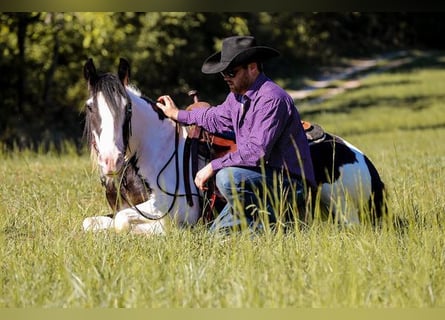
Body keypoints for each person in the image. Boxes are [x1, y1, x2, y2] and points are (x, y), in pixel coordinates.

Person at [156, 35, 316, 232]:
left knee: (226, 178)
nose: (226, 78)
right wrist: (176, 114)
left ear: (253, 67)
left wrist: (213, 166)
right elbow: (215, 118)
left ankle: (278, 227)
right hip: (260, 177)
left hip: (289, 183)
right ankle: (254, 225)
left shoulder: (271, 99)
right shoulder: (237, 97)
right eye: (223, 73)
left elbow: (256, 151)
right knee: (214, 238)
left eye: (231, 72)